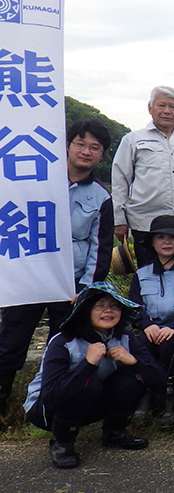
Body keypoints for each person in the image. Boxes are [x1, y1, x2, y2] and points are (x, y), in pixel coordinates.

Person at [0, 119, 114, 418]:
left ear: (102, 155)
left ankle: (57, 410)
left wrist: (86, 291)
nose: (86, 152)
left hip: (70, 286)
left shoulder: (100, 197)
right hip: (29, 277)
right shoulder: (34, 180)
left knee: (63, 345)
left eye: (95, 148)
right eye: (80, 143)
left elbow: (99, 249)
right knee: (10, 343)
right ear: (67, 144)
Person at [23, 282, 166, 469]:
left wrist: (133, 361)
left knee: (132, 378)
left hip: (90, 403)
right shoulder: (63, 342)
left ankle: (114, 433)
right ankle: (62, 443)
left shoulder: (125, 338)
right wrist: (87, 364)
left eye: (114, 306)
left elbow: (160, 380)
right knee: (87, 383)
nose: (108, 311)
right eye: (99, 305)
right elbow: (50, 396)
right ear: (85, 311)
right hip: (46, 410)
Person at [111, 86, 174, 266]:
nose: (167, 111)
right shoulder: (133, 140)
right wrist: (119, 220)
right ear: (150, 108)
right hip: (146, 226)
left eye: (172, 107)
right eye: (162, 105)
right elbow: (120, 182)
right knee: (149, 279)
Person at [128, 215, 174, 425]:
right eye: (160, 237)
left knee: (169, 344)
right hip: (152, 331)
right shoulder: (141, 274)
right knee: (141, 344)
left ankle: (171, 401)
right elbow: (134, 307)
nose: (167, 241)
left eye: (172, 237)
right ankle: (147, 394)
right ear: (152, 242)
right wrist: (147, 326)